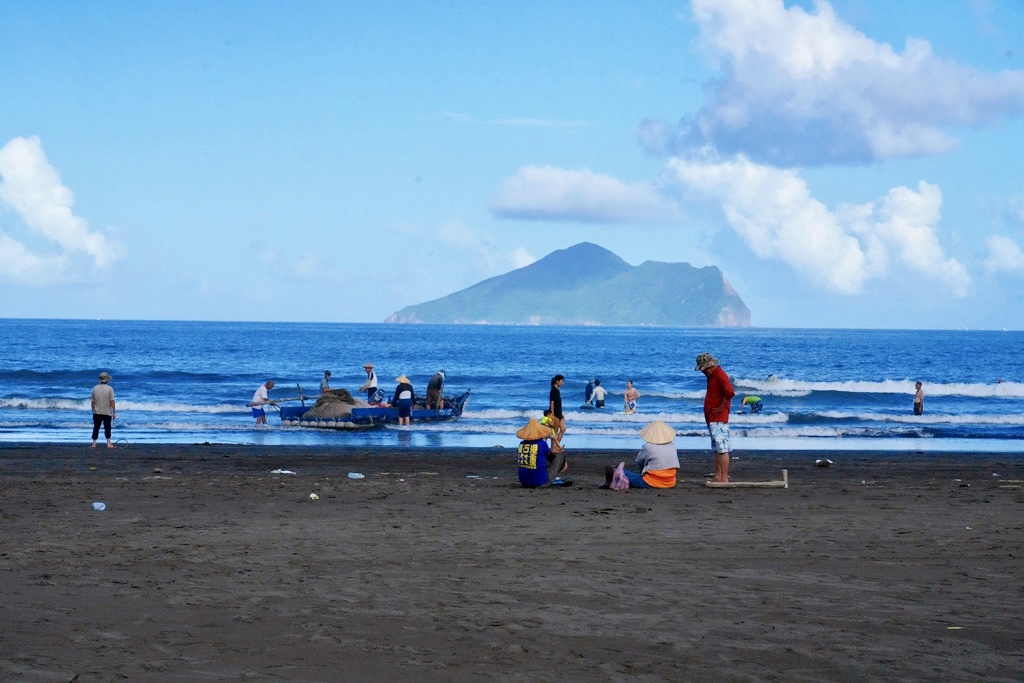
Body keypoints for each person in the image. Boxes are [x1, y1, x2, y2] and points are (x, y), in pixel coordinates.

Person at [602, 421, 680, 489]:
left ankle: (613, 478)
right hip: (670, 481)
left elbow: (639, 461)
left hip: (652, 482)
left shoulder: (648, 446)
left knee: (624, 472)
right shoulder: (672, 445)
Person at [696, 352, 735, 483]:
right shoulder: (712, 375)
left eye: (704, 369)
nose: (703, 372)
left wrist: (721, 407)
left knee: (722, 448)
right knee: (716, 448)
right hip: (712, 418)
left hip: (719, 417)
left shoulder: (719, 374)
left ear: (710, 365)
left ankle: (724, 477)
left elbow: (729, 392)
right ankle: (718, 475)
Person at [516, 418, 568, 488]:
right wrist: (563, 463)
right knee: (560, 456)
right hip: (539, 483)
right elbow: (551, 458)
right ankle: (550, 478)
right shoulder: (542, 444)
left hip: (524, 482)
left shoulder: (521, 444)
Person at [91, 371, 117, 448]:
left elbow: (93, 401)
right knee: (107, 427)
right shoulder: (110, 389)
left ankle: (94, 443)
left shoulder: (95, 388)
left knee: (96, 427)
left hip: (97, 411)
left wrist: (93, 410)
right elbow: (112, 401)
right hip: (107, 411)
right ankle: (109, 443)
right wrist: (114, 412)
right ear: (107, 380)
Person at [549, 374, 566, 442]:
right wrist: (552, 415)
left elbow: (558, 403)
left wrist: (561, 413)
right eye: (561, 381)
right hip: (555, 413)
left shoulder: (557, 390)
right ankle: (553, 448)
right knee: (555, 432)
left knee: (563, 429)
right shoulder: (553, 390)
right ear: (557, 381)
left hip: (559, 413)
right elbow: (552, 403)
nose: (562, 383)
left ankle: (557, 445)